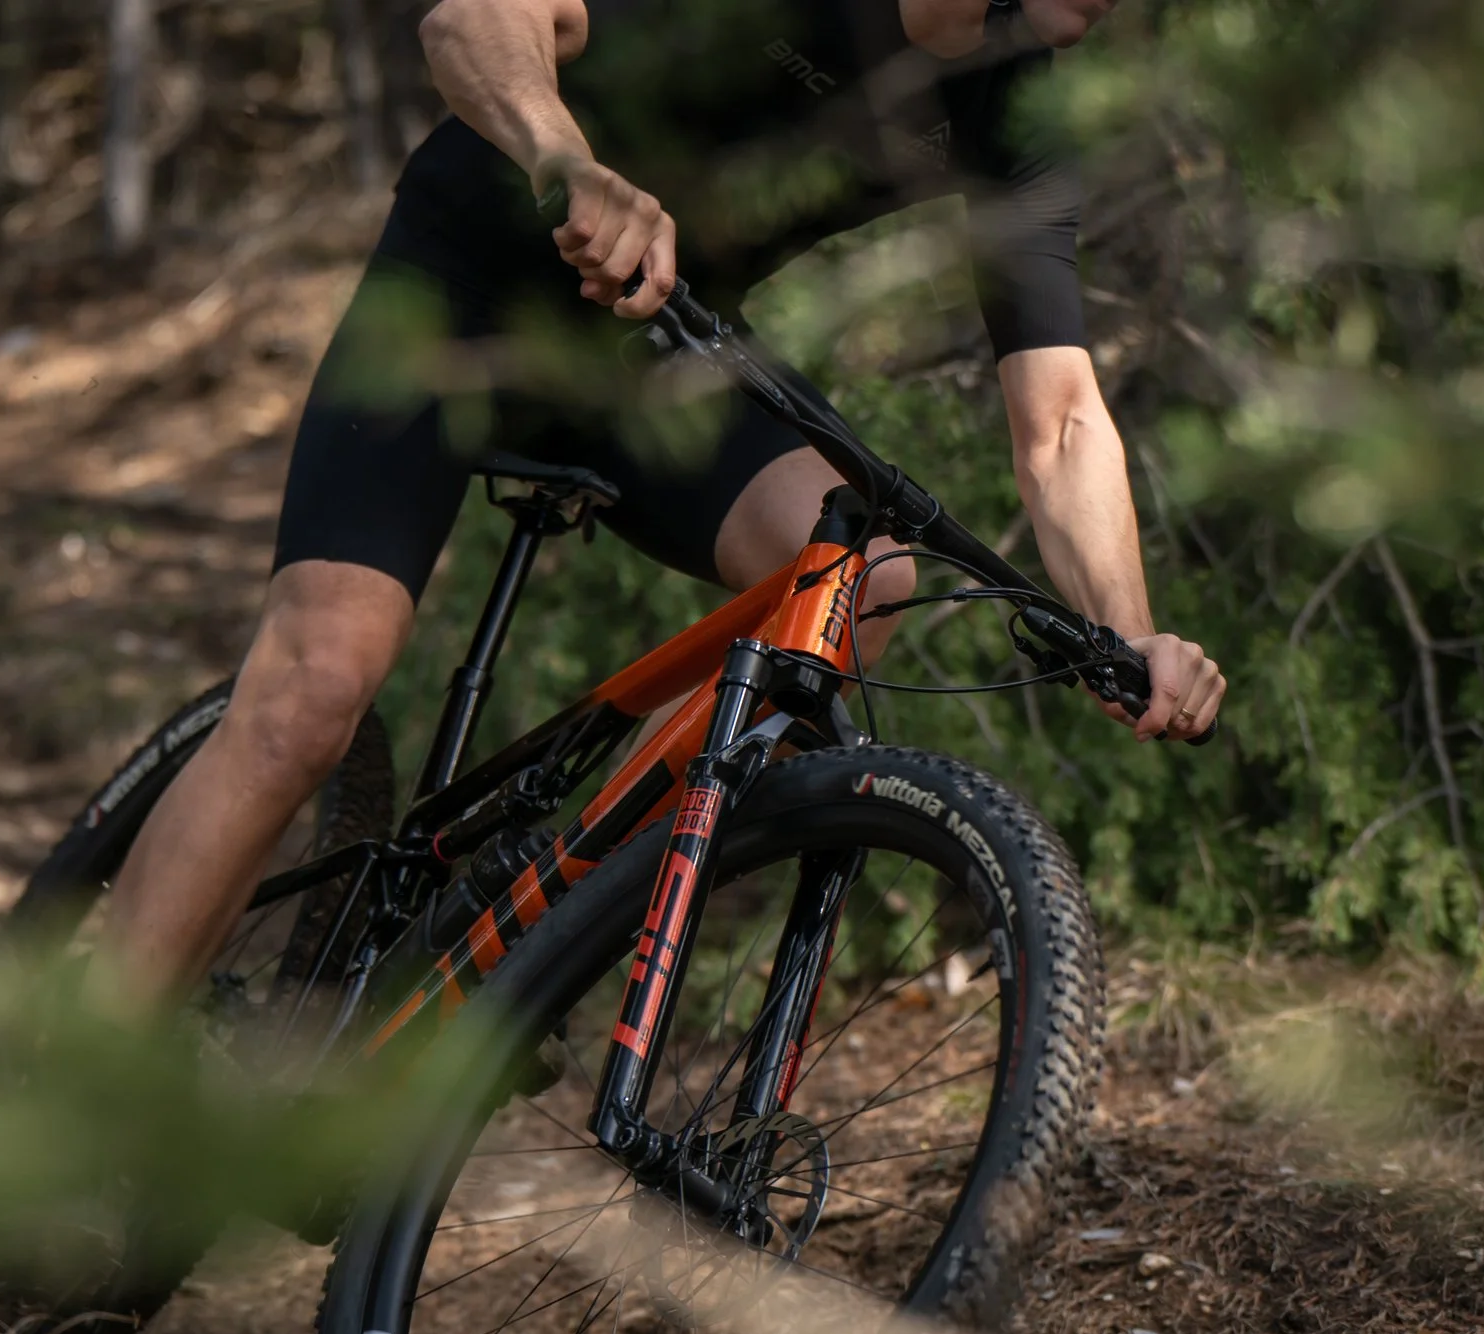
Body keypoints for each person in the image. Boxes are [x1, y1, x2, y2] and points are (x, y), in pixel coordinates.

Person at [93, 0, 1227, 1001]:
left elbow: (1064, 414)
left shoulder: (1009, 116)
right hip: (465, 304)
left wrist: (1124, 635)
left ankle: (547, 935)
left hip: (651, 356)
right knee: (313, 691)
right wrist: (566, 162)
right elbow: (471, 21)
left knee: (857, 577)